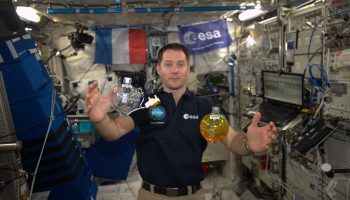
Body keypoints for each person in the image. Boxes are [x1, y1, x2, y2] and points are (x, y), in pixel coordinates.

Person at [85, 43, 277, 200]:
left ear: (188, 68)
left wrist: (248, 144)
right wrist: (101, 119)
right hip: (151, 195)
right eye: (168, 64)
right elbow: (115, 131)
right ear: (158, 69)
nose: (175, 70)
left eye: (180, 64)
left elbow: (232, 140)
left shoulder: (203, 106)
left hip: (192, 195)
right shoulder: (145, 102)